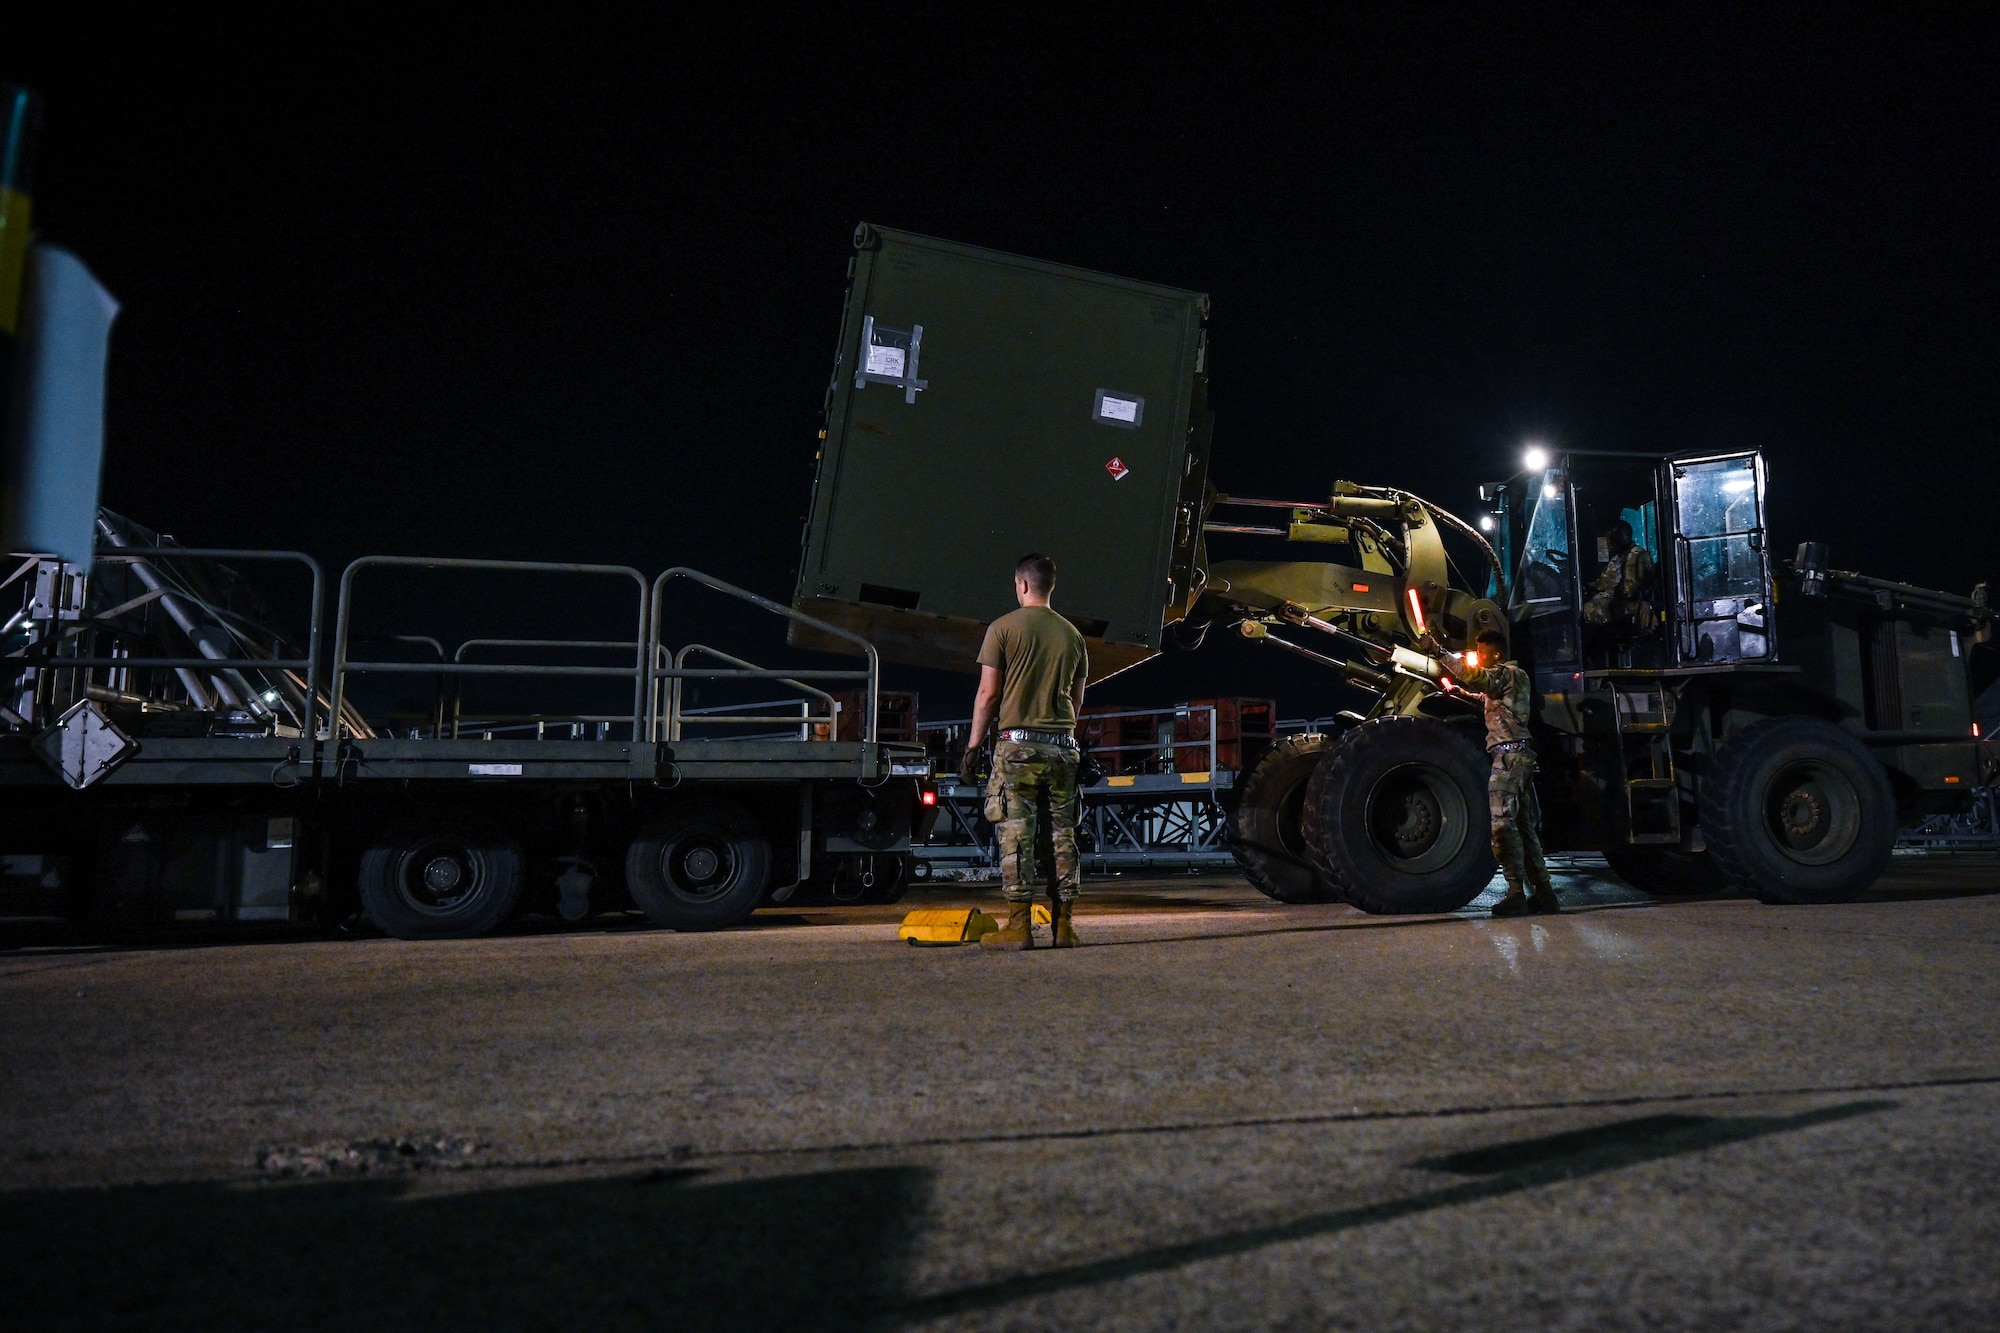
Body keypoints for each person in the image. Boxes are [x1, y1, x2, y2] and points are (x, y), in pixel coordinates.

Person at [959, 553, 1089, 949]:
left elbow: (988, 694)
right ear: (1050, 586)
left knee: (1017, 834)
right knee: (1063, 834)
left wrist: (972, 748)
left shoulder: (1002, 628)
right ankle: (1064, 927)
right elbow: (1077, 699)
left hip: (1018, 750)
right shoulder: (1073, 636)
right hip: (1063, 748)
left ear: (1022, 585)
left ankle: (1018, 927)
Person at [1456, 628, 1560, 917]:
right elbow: (1490, 699)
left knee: (1502, 824)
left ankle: (1516, 893)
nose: (1477, 655)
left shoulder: (1506, 673)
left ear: (1497, 653)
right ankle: (1545, 894)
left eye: (1482, 650)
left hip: (1509, 757)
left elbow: (1479, 678)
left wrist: (1440, 654)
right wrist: (1461, 693)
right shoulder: (1512, 681)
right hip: (1517, 756)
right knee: (1523, 827)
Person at [1583, 519, 1656, 628]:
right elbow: (1605, 581)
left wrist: (1602, 594)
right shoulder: (1618, 556)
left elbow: (1628, 590)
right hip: (1622, 601)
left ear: (1623, 537)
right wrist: (1589, 588)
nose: (1608, 541)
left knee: (1588, 610)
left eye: (1612, 537)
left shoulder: (1636, 555)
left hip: (1637, 604)